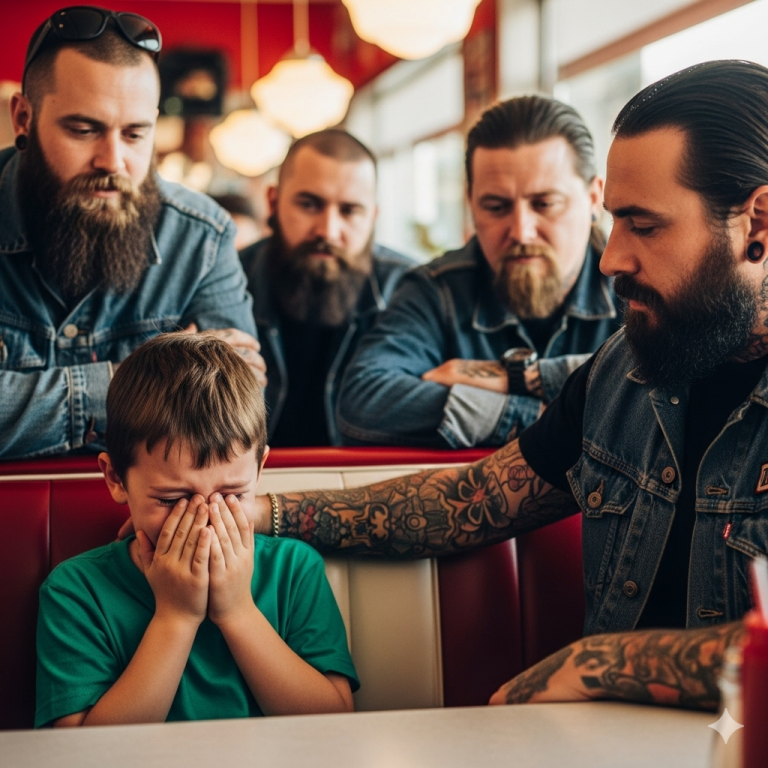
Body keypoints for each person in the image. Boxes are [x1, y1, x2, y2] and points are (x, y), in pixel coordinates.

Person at [249, 60, 768, 711]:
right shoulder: (625, 370)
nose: (611, 259)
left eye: (644, 224)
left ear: (759, 224)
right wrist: (262, 513)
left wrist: (596, 663)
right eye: (617, 221)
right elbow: (472, 501)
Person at [36, 333, 357, 727]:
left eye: (232, 494)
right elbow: (79, 754)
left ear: (259, 470)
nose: (206, 522)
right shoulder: (76, 590)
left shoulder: (293, 569)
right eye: (172, 500)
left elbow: (334, 724)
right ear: (116, 478)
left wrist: (237, 611)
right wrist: (176, 617)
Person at [0, 6, 265, 461]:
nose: (113, 161)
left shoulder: (202, 238)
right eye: (84, 130)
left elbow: (236, 425)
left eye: (136, 135)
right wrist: (145, 383)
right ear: (24, 118)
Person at [337, 96, 621, 448]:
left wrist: (512, 378)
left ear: (595, 198)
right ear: (471, 205)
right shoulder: (436, 289)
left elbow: (668, 383)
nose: (521, 230)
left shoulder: (635, 283)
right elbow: (364, 400)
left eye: (545, 204)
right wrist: (545, 419)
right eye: (496, 206)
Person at [239, 129, 414, 447]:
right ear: (273, 202)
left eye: (349, 211)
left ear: (372, 217)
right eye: (309, 204)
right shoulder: (229, 281)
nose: (328, 230)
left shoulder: (410, 290)